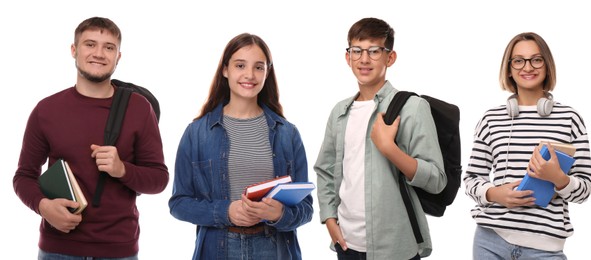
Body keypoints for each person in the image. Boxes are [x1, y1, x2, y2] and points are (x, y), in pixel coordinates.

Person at [13, 17, 169, 259]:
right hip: (57, 249)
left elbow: (159, 179)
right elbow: (23, 176)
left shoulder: (139, 108)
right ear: (74, 50)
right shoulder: (46, 110)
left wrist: (122, 169)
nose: (99, 53)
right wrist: (43, 206)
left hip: (119, 250)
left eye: (109, 47)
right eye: (90, 44)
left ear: (118, 57)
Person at [168, 33, 313, 260]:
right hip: (218, 249)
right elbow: (179, 204)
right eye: (240, 65)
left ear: (267, 72)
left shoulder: (288, 133)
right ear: (225, 70)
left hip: (274, 249)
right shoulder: (197, 133)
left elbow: (306, 209)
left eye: (258, 67)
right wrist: (226, 212)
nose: (249, 75)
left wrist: (280, 214)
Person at [314, 17, 446, 260]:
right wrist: (329, 219)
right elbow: (325, 170)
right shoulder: (339, 112)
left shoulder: (413, 108)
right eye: (357, 51)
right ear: (348, 57)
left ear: (390, 57)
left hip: (395, 247)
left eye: (374, 51)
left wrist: (389, 149)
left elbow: (437, 179)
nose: (364, 59)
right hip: (346, 244)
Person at [463, 32, 591, 259]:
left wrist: (559, 178)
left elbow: (585, 189)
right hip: (490, 239)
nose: (528, 67)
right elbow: (471, 179)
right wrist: (494, 193)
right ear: (509, 68)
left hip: (545, 248)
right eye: (518, 60)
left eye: (536, 59)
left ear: (546, 65)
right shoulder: (491, 119)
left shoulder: (569, 118)